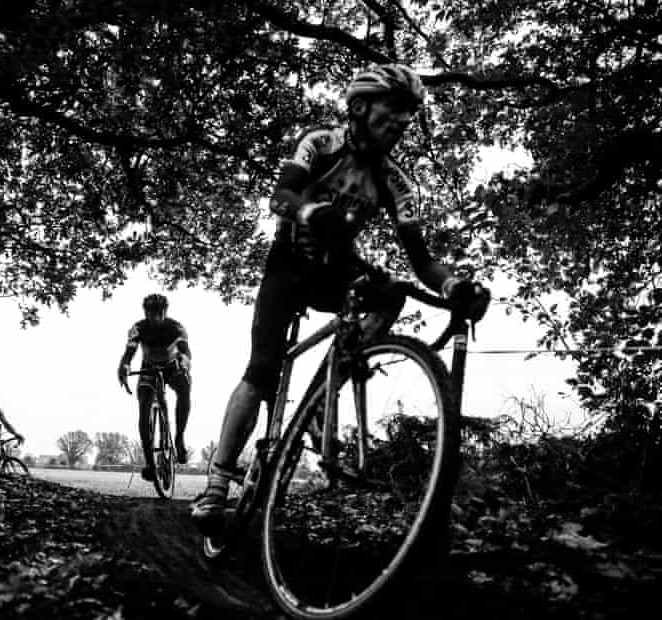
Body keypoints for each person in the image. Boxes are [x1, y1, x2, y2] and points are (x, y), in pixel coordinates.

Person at [190, 64, 490, 532]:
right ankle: (218, 481)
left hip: (340, 269)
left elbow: (422, 261)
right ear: (359, 107)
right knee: (261, 370)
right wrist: (311, 211)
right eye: (394, 111)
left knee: (391, 294)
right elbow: (280, 194)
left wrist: (455, 287)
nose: (403, 123)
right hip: (289, 264)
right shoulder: (321, 143)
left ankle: (323, 390)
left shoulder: (397, 182)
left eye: (410, 116)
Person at [117, 293, 193, 481]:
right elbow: (129, 351)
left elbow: (186, 352)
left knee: (184, 388)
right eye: (151, 313)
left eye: (159, 313)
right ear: (145, 312)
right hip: (149, 367)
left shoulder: (176, 327)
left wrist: (184, 363)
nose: (155, 317)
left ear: (165, 311)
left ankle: (179, 437)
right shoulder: (138, 328)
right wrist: (124, 366)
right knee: (143, 409)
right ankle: (150, 464)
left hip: (172, 367)